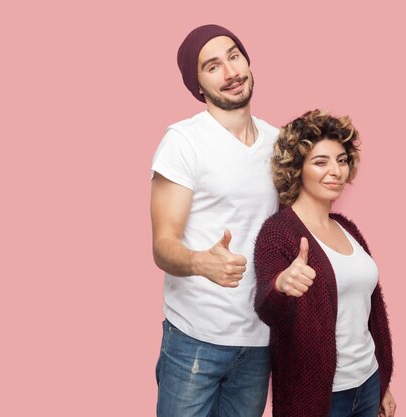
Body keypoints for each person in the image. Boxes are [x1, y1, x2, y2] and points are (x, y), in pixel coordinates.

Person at [150, 24, 279, 417]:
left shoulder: (280, 143)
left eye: (234, 56)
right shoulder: (183, 142)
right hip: (195, 338)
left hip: (258, 340)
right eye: (212, 66)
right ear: (198, 86)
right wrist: (198, 262)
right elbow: (163, 244)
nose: (230, 72)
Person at [254, 110, 397, 417]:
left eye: (342, 160)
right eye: (321, 162)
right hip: (322, 397)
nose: (336, 171)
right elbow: (267, 308)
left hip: (368, 383)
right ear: (297, 168)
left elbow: (368, 310)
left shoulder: (347, 227)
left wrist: (383, 383)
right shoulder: (278, 232)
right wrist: (281, 286)